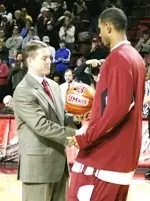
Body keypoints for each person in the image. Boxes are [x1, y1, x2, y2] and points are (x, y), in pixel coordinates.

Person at [67, 8, 146, 201]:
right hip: (121, 159)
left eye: (100, 29)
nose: (99, 35)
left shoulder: (118, 58)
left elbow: (118, 108)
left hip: (104, 159)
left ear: (108, 27)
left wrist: (85, 137)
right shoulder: (135, 57)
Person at [13, 40, 76, 201]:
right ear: (29, 61)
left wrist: (77, 118)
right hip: (38, 169)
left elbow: (60, 116)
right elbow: (41, 126)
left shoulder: (54, 85)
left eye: (50, 57)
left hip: (59, 166)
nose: (49, 61)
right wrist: (77, 136)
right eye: (44, 58)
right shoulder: (23, 91)